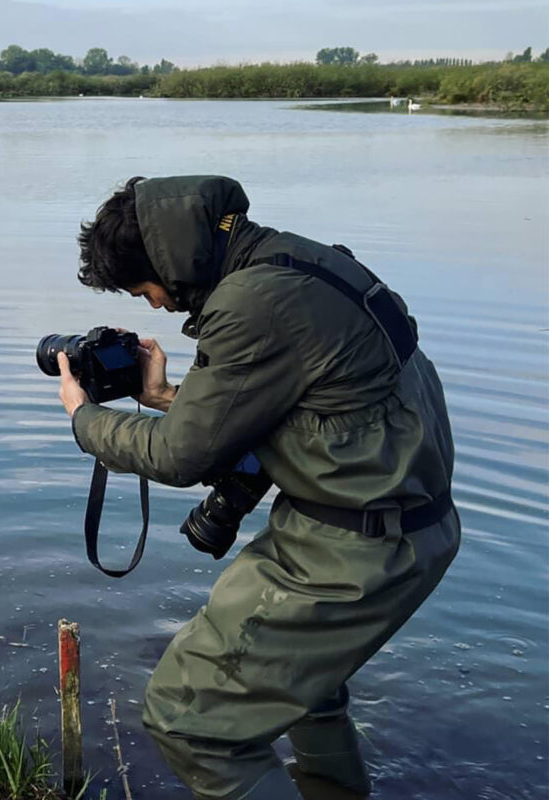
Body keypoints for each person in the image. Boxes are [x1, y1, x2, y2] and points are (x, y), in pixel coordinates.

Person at [55, 176, 459, 800]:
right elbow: (304, 409)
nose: (155, 307)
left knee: (187, 721)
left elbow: (180, 456)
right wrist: (164, 396)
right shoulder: (302, 261)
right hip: (399, 523)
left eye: (145, 290)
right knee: (308, 694)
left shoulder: (252, 302)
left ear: (165, 262)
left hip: (352, 549)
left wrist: (85, 419)